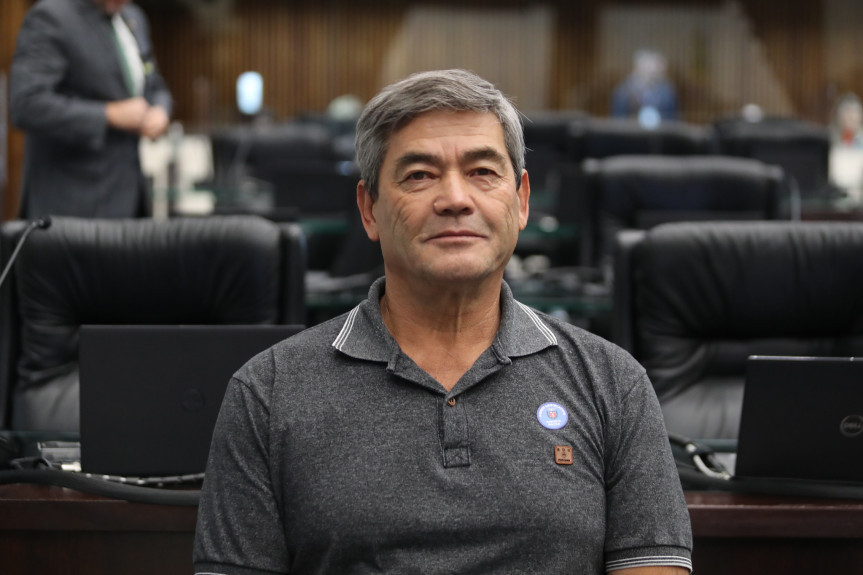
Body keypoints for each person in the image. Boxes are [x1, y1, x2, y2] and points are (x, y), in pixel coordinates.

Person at [194, 69, 693, 575]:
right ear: (369, 209)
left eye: (482, 172)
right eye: (419, 175)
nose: (455, 198)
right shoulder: (268, 392)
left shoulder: (614, 383)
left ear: (520, 201)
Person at [10, 0, 172, 218]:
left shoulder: (133, 17)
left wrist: (161, 110)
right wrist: (109, 115)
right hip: (71, 210)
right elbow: (26, 104)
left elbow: (154, 84)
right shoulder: (51, 16)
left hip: (129, 201)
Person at [611, 49, 678, 123]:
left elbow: (672, 117)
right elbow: (618, 118)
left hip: (660, 132)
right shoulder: (624, 90)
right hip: (630, 131)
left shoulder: (666, 90)